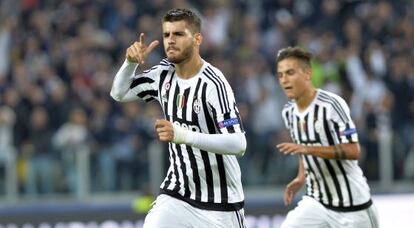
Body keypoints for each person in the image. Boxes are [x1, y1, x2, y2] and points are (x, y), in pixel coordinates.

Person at [110, 8, 247, 228]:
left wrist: (183, 135)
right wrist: (130, 63)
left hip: (220, 203)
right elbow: (119, 93)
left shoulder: (214, 84)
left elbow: (238, 143)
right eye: (166, 35)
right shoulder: (163, 74)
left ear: (197, 39)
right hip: (177, 194)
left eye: (179, 34)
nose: (171, 41)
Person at [275, 46, 379, 228]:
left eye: (290, 73)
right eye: (280, 75)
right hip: (317, 202)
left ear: (307, 74)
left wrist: (309, 149)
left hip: (353, 205)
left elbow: (353, 150)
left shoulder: (332, 105)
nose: (284, 80)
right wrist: (301, 177)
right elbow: (302, 147)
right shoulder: (288, 112)